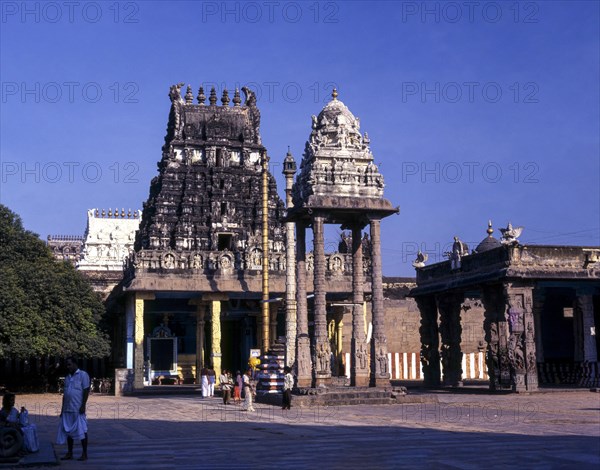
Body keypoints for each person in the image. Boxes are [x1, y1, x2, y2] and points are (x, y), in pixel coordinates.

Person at [57, 357, 90, 461]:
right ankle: (69, 453)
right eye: (67, 365)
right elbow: (65, 395)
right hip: (67, 409)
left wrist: (83, 405)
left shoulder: (83, 375)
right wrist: (62, 410)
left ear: (75, 364)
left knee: (82, 431)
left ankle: (84, 454)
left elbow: (86, 391)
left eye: (69, 364)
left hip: (78, 408)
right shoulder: (67, 377)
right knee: (68, 431)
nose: (68, 367)